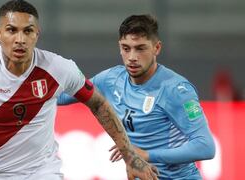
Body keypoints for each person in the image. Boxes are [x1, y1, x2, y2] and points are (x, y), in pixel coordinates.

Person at [0, 1, 159, 180]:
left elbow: (98, 103)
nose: (20, 40)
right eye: (11, 31)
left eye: (28, 31)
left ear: (37, 34)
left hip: (43, 172)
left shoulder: (59, 68)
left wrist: (130, 156)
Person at [58, 14, 216, 179]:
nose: (132, 57)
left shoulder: (176, 90)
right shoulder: (111, 79)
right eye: (126, 48)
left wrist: (146, 155)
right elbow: (62, 97)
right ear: (120, 47)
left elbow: (205, 147)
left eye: (140, 48)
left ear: (157, 48)